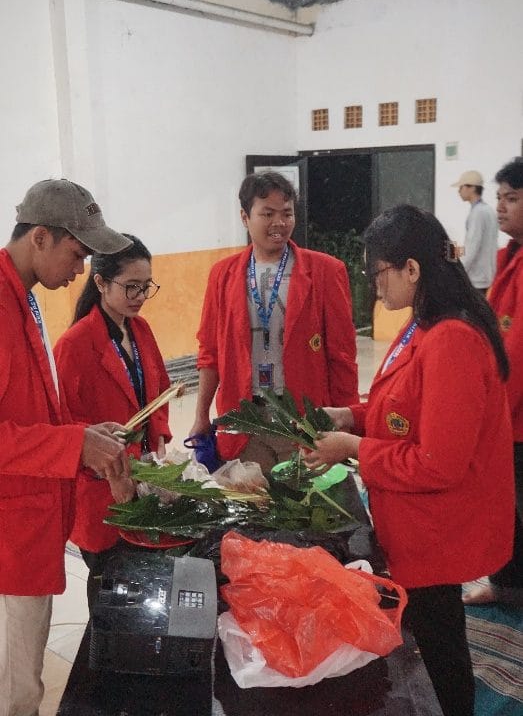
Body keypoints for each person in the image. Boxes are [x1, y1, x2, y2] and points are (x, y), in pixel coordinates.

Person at [302, 204, 514, 716]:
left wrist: (353, 450)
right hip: (418, 523)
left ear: (412, 269)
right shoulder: (420, 325)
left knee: (440, 646)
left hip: (438, 531)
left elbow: (438, 462)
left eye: (378, 274)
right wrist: (351, 417)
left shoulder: (452, 340)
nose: (375, 287)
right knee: (434, 634)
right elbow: (404, 409)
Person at [0, 178, 131, 716]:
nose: (80, 271)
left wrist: (82, 435)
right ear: (39, 238)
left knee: (24, 661)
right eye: (76, 254)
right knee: (22, 682)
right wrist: (72, 444)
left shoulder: (21, 296)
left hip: (31, 510)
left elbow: (24, 406)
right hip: (14, 518)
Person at [188, 170, 359, 472]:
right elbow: (209, 353)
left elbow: (342, 356)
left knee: (310, 511)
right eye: (267, 213)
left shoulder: (325, 272)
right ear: (245, 216)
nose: (279, 223)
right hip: (245, 418)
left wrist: (347, 419)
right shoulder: (222, 275)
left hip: (304, 418)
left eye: (287, 213)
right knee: (254, 511)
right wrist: (201, 415)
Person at [54, 235, 172, 609]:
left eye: (145, 287)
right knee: (108, 586)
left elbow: (159, 393)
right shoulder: (74, 345)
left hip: (142, 477)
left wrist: (161, 440)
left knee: (141, 581)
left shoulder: (141, 331)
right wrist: (110, 470)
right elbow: (66, 426)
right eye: (130, 287)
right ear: (101, 282)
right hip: (100, 490)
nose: (139, 296)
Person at [463, 157, 523, 606]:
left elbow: (517, 352)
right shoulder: (511, 256)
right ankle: (509, 583)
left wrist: (490, 409)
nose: (501, 207)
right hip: (507, 409)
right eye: (499, 197)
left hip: (514, 410)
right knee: (506, 506)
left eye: (513, 199)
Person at [452, 169, 498, 293]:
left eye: (461, 187)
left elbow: (472, 247)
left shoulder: (478, 213)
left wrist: (459, 273)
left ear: (471, 188)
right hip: (487, 275)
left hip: (476, 279)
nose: (459, 191)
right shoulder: (488, 210)